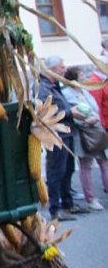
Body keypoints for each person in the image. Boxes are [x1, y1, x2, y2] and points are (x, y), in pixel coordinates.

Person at [38, 56, 81, 221]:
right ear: (52, 69)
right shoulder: (44, 88)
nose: (64, 69)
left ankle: (68, 204)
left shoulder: (55, 86)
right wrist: (71, 113)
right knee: (56, 172)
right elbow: (45, 110)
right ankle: (55, 210)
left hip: (66, 133)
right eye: (61, 67)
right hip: (56, 135)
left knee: (68, 169)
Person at [63, 66, 108, 210]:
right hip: (83, 134)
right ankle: (91, 199)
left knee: (104, 162)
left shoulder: (85, 91)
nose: (84, 77)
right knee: (86, 166)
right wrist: (83, 121)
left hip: (95, 131)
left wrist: (95, 118)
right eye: (81, 74)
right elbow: (70, 113)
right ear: (74, 78)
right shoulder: (67, 94)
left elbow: (94, 107)